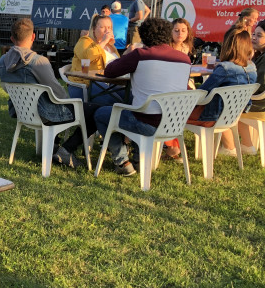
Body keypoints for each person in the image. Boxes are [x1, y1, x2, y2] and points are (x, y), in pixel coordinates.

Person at [93, 17, 192, 176]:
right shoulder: (185, 59)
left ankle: (122, 161)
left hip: (146, 123)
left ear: (144, 36)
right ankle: (139, 158)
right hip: (174, 123)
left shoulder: (140, 55)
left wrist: (129, 54)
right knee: (139, 109)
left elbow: (109, 71)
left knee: (102, 114)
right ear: (168, 35)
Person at [0, 17, 100, 168]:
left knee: (53, 101)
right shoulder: (38, 61)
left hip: (22, 112)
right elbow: (57, 92)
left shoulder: (2, 61)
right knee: (96, 110)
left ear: (12, 38)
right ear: (33, 36)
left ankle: (54, 146)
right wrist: (70, 102)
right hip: (46, 114)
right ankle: (66, 150)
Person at [186, 27, 257, 156]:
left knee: (175, 111)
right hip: (234, 115)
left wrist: (190, 89)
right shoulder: (252, 67)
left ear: (227, 45)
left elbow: (202, 93)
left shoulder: (224, 68)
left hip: (212, 116)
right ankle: (229, 147)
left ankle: (172, 150)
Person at [70, 14, 123, 105]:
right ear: (94, 29)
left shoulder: (110, 46)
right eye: (102, 27)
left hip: (109, 82)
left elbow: (118, 63)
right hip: (88, 84)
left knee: (130, 98)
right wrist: (104, 41)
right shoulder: (85, 41)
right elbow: (87, 58)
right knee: (118, 103)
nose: (107, 31)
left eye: (109, 27)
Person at [238, 19, 265, 154]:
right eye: (254, 34)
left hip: (260, 104)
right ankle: (246, 144)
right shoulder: (260, 56)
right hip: (260, 102)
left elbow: (258, 86)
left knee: (226, 106)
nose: (254, 38)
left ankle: (244, 146)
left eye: (259, 36)